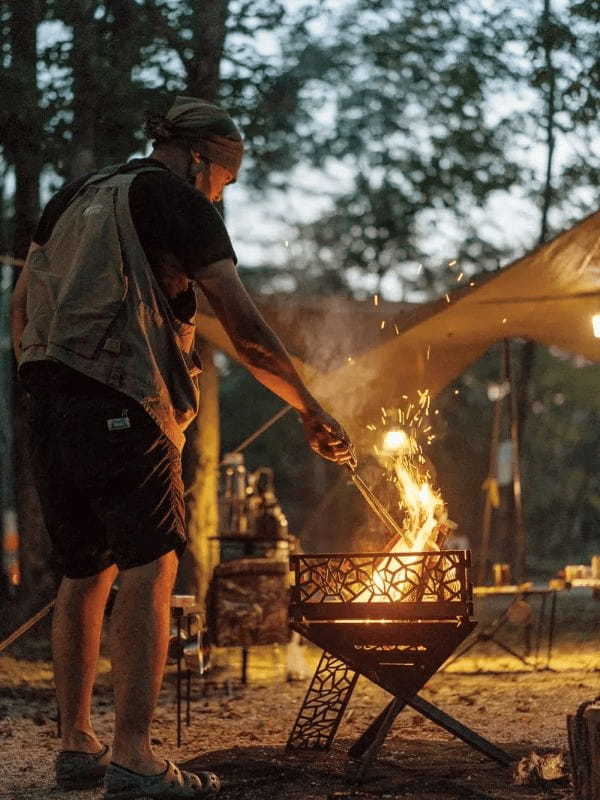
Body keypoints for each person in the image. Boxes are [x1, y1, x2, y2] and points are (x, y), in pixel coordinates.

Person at [10, 96, 356, 799]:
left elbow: (22, 300)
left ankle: (77, 743)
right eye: (226, 181)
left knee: (84, 572)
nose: (224, 193)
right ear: (203, 161)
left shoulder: (79, 193)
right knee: (152, 563)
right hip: (121, 396)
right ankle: (134, 755)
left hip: (43, 397)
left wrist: (39, 373)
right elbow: (245, 325)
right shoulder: (176, 199)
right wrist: (310, 408)